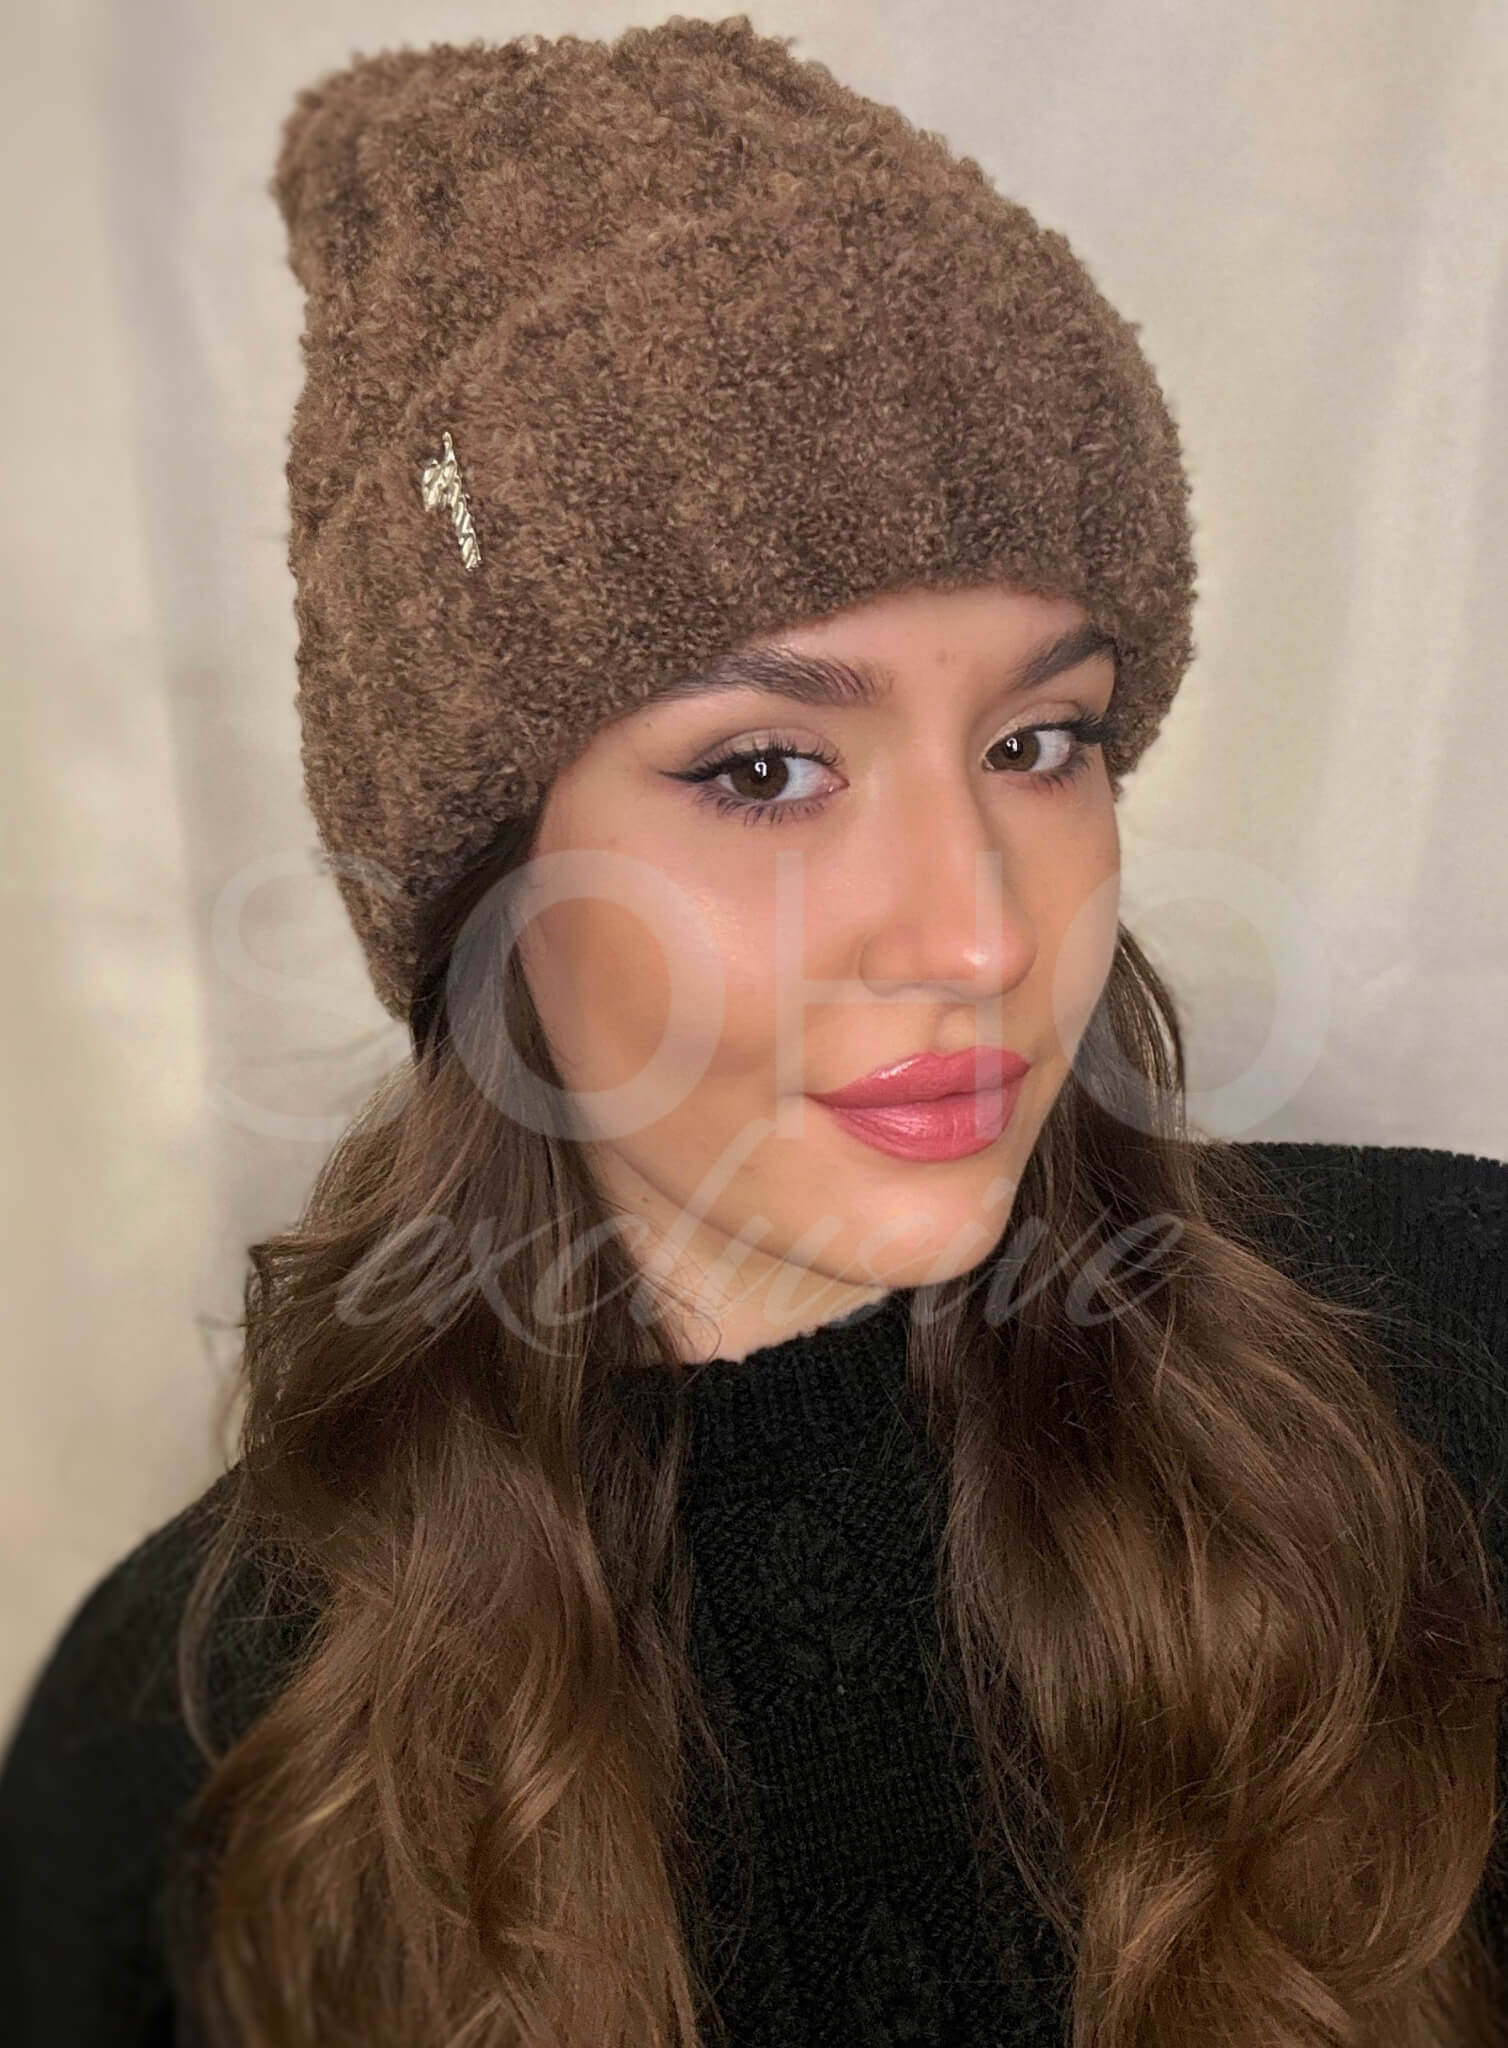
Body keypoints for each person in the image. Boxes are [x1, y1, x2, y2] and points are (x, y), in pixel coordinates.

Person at [2, 15, 1506, 2048]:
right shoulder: (194, 1742)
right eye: (765, 771)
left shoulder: (1450, 1375)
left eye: (1040, 740)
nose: (978, 931)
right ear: (486, 886)